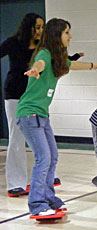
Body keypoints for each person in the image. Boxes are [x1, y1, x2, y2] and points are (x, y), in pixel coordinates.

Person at [16, 18, 97, 216]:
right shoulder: (45, 55)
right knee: (43, 157)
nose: (70, 36)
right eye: (67, 32)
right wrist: (35, 70)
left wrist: (93, 65)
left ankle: (49, 198)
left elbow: (71, 64)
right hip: (29, 115)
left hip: (41, 116)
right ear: (57, 35)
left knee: (53, 156)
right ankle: (37, 205)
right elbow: (39, 63)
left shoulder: (57, 58)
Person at [0, 13, 44, 196]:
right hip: (15, 94)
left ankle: (44, 180)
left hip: (34, 96)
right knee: (16, 137)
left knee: (41, 137)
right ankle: (15, 184)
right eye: (38, 27)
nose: (41, 31)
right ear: (29, 27)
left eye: (42, 27)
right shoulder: (13, 42)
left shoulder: (42, 47)